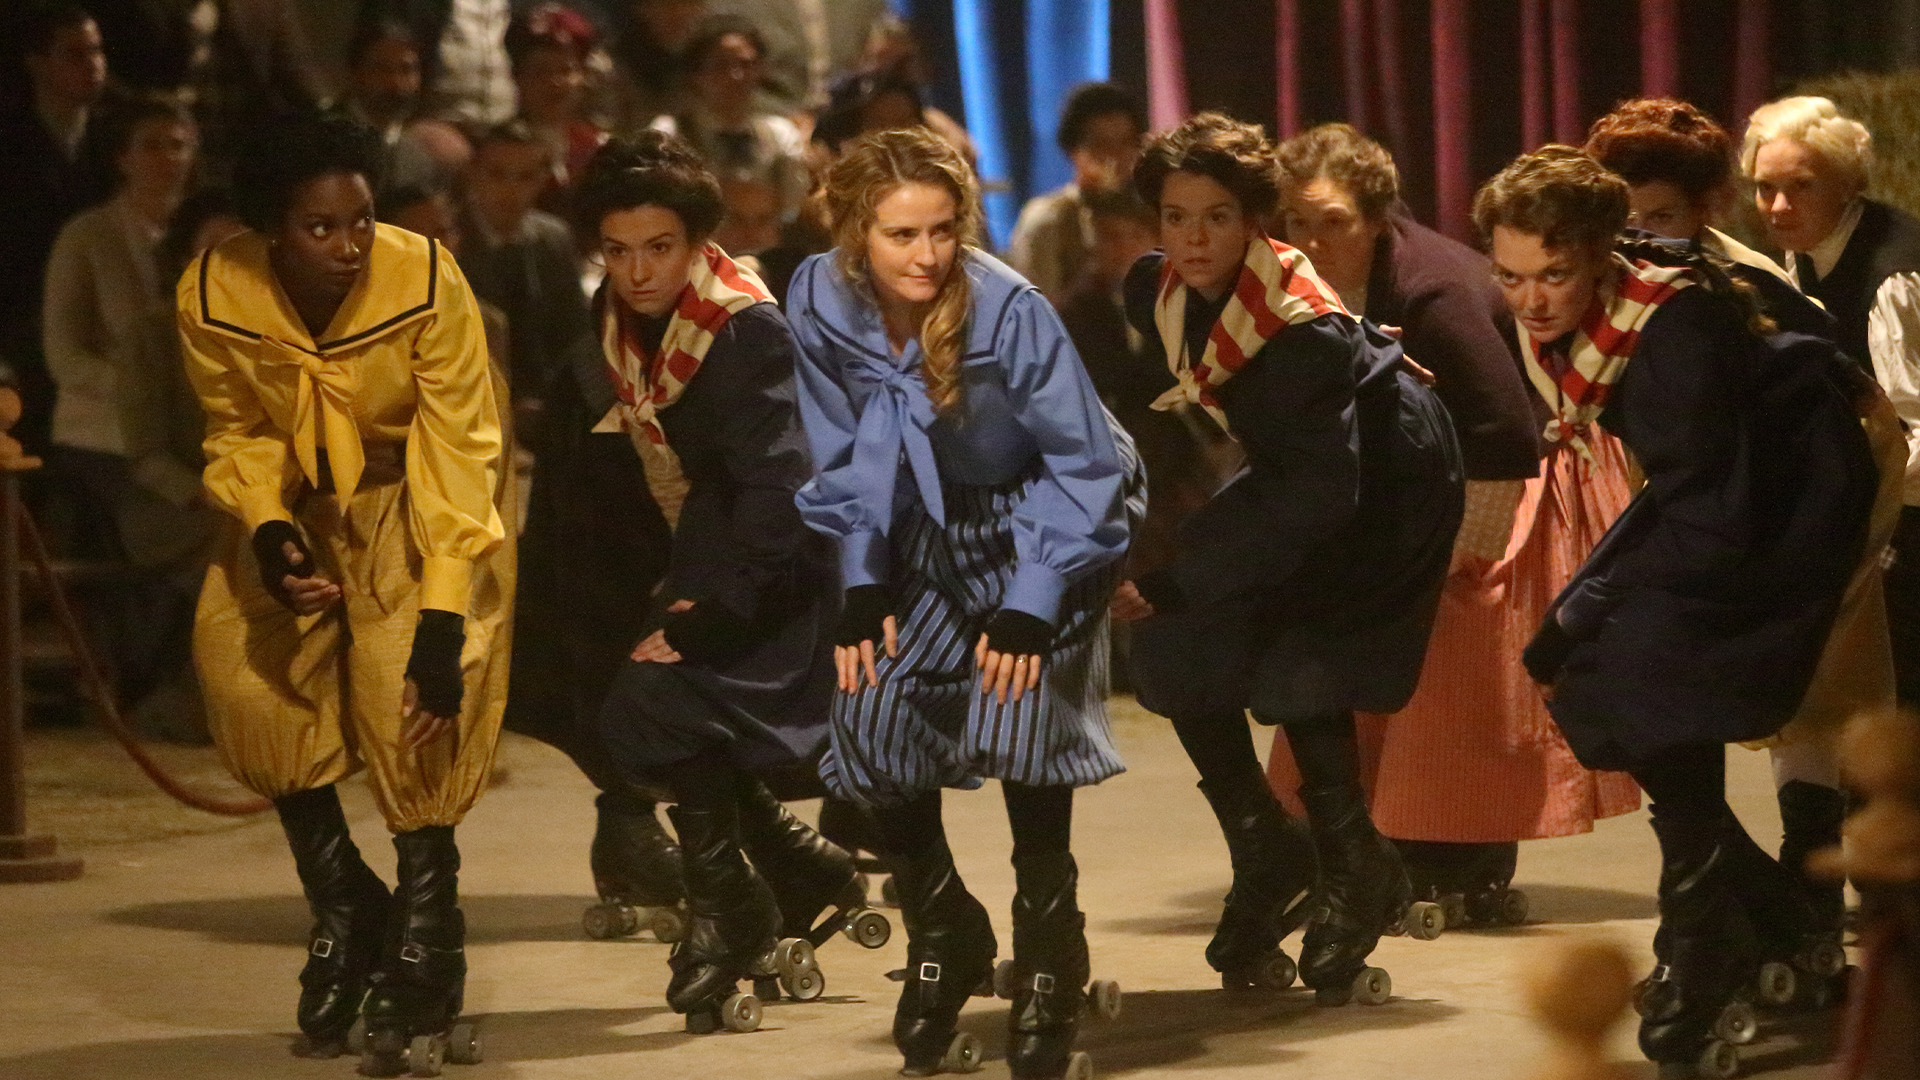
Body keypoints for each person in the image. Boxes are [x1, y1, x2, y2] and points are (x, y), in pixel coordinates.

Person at [1475, 146, 1878, 1072]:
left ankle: (1705, 942)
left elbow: (1717, 518)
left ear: (1600, 255)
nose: (1530, 299)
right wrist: (1585, 612)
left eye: (1552, 274)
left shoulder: (1671, 335)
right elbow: (1683, 490)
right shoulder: (1595, 318)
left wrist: (1606, 606)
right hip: (1713, 499)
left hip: (1794, 510)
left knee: (1642, 681)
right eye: (1510, 275)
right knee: (1563, 658)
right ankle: (1770, 917)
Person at [789, 128, 1141, 1078]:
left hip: (1051, 503)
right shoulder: (818, 295)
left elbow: (1084, 466)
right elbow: (839, 451)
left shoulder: (1010, 309)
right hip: (918, 507)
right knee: (869, 703)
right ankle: (944, 920)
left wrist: (1031, 602)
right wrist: (862, 580)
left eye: (943, 230)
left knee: (1018, 704)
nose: (927, 255)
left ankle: (1049, 935)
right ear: (856, 231)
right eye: (902, 234)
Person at [176, 112, 513, 1065]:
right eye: (319, 227)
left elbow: (460, 448)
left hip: (421, 506)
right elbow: (236, 426)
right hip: (298, 507)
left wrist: (441, 621)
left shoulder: (426, 279)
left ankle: (429, 936)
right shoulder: (214, 290)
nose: (348, 244)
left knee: (412, 699)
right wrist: (269, 528)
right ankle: (344, 906)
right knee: (245, 672)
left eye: (360, 219)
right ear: (272, 229)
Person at [1112, 113, 1464, 1002]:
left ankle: (1355, 864)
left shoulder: (1298, 329)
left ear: (1254, 221)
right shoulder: (1155, 289)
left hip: (1390, 480)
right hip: (1300, 469)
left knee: (1304, 658)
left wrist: (1181, 574)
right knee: (1178, 639)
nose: (1193, 238)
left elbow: (1318, 500)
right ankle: (1268, 848)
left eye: (1217, 217)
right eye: (1176, 216)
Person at [1261, 122, 1619, 927]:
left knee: (1458, 666)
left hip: (1502, 482)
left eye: (1332, 221)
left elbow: (1503, 428)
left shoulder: (1434, 289)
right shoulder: (1301, 277)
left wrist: (1464, 554)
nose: (1311, 239)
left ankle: (1459, 857)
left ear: (1377, 217)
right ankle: (1352, 841)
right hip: (1411, 488)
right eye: (1296, 221)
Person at [1588, 96, 1906, 942]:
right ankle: (1746, 903)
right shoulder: (1603, 280)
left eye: (1662, 217)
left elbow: (1865, 420)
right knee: (1654, 706)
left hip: (1794, 514)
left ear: (1705, 210)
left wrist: (1834, 544)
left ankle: (1799, 895)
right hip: (1688, 517)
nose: (1641, 235)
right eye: (1624, 217)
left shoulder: (1749, 289)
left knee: (1812, 698)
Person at [576, 131, 867, 1029]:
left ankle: (735, 899)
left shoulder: (742, 327)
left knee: (651, 707)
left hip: (783, 561)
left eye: (659, 247)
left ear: (699, 242)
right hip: (712, 539)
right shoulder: (618, 315)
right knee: (637, 709)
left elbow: (782, 487)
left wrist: (720, 609)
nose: (637, 271)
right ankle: (791, 867)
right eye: (617, 249)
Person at [41, 94, 218, 742]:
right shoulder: (88, 236)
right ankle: (161, 685)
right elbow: (64, 354)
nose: (168, 159)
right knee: (174, 522)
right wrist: (146, 386)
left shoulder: (209, 231)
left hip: (181, 434)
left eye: (179, 145)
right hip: (99, 436)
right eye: (152, 145)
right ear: (121, 157)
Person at [1742, 98, 1920, 723]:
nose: (1778, 206)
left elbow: (1915, 430)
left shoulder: (1891, 278)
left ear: (1847, 185)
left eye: (1802, 187)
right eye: (1765, 188)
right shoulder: (1808, 252)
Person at [0, 2, 114, 460]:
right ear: (37, 63)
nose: (92, 65)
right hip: (26, 319)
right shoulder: (11, 145)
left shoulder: (112, 141)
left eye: (96, 51)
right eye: (74, 53)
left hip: (97, 315)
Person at [648, 17, 810, 227]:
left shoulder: (780, 136)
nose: (736, 76)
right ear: (696, 74)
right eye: (720, 65)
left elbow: (793, 209)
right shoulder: (669, 136)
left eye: (746, 64)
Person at [1008, 82, 1146, 302]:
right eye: (1101, 144)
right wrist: (1093, 279)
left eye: (1127, 143)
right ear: (1073, 150)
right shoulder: (1049, 218)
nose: (1116, 155)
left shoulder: (1151, 212)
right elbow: (1033, 310)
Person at [506, 3, 609, 208]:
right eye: (541, 70)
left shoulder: (598, 149)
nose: (555, 83)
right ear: (518, 76)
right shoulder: (500, 151)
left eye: (565, 70)